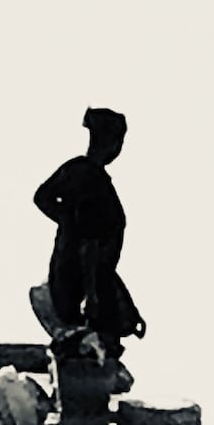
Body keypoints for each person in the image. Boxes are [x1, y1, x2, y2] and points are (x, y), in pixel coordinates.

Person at [34, 107, 146, 360]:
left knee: (106, 331)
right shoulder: (91, 181)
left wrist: (66, 221)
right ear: (111, 143)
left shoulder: (78, 171)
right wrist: (92, 296)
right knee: (95, 339)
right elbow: (91, 245)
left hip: (81, 273)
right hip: (83, 279)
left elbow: (43, 197)